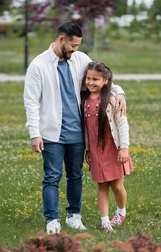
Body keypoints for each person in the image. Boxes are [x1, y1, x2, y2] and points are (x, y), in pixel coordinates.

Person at [24, 21, 126, 234]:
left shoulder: (80, 60)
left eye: (78, 46)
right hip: (51, 133)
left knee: (75, 175)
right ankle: (52, 219)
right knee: (51, 177)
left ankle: (74, 216)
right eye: (73, 45)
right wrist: (35, 134)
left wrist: (120, 93)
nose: (75, 50)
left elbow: (102, 78)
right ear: (61, 40)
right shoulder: (38, 65)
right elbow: (31, 102)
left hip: (77, 133)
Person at [81, 61, 133, 232]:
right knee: (102, 185)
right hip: (96, 151)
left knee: (117, 186)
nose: (90, 82)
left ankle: (121, 211)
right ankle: (105, 221)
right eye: (88, 78)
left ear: (105, 80)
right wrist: (88, 149)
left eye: (95, 79)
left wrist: (124, 148)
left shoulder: (112, 99)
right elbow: (88, 130)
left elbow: (122, 124)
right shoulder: (85, 101)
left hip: (113, 148)